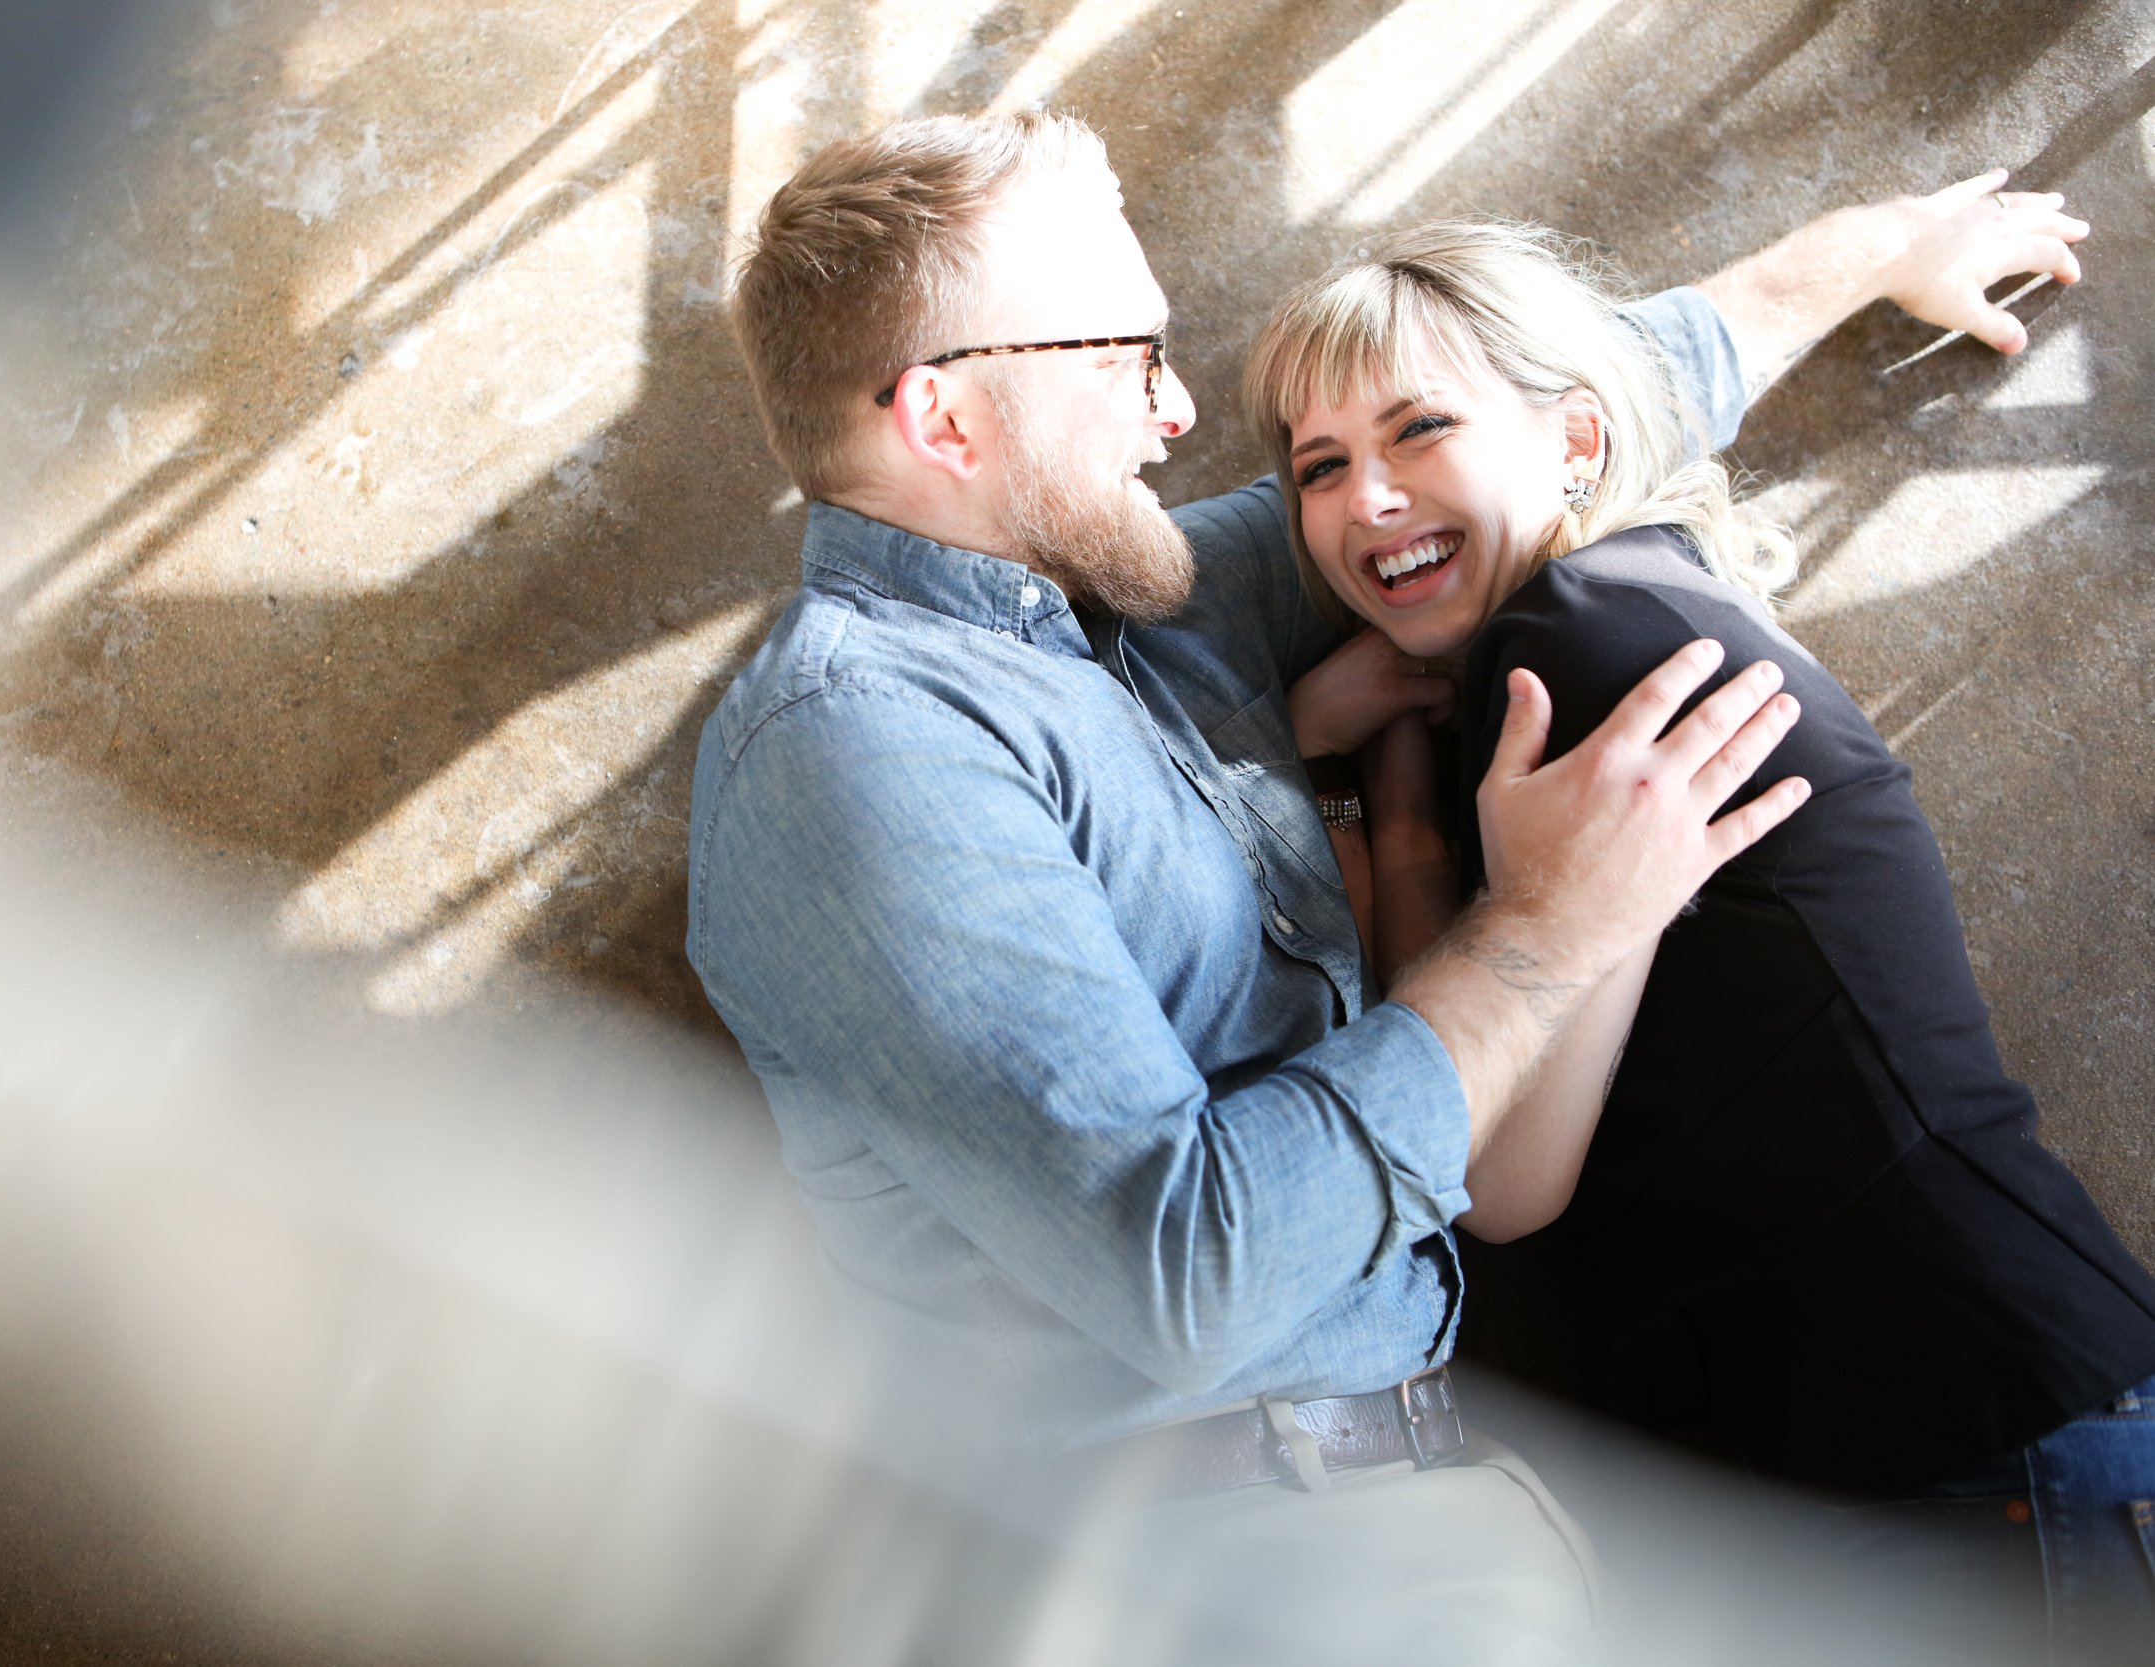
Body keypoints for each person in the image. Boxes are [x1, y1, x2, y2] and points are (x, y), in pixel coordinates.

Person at [684, 108, 1838, 1659]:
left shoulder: (1138, 602)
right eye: (1123, 360)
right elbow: (1189, 1274)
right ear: (946, 422)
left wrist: (1860, 258)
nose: (1172, 414)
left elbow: (1524, 419)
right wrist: (1555, 929)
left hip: (1385, 1522)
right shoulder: (858, 747)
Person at [1242, 176, 2155, 1657]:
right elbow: (1473, 1035)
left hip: (1966, 1438)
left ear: (1576, 437)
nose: (1368, 502)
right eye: (1319, 466)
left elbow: (1483, 1163)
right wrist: (1378, 757)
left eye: (1420, 430)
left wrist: (1354, 771)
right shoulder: (1582, 635)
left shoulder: (1584, 645)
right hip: (1943, 1441)